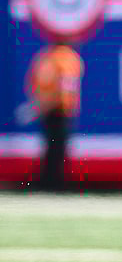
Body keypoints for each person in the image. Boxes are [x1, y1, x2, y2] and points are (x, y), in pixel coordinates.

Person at [26, 43, 84, 191]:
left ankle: (51, 180)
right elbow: (66, 88)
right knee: (57, 147)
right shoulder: (66, 58)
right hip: (59, 110)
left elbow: (34, 83)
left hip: (53, 109)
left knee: (54, 146)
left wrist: (41, 103)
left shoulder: (47, 58)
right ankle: (53, 181)